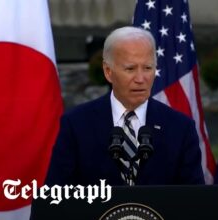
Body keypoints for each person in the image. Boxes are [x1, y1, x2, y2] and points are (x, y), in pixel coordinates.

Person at [45, 26, 204, 186]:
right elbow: (55, 196)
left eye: (148, 68)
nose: (141, 79)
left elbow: (195, 201)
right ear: (108, 72)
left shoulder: (180, 128)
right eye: (130, 69)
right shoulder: (76, 124)